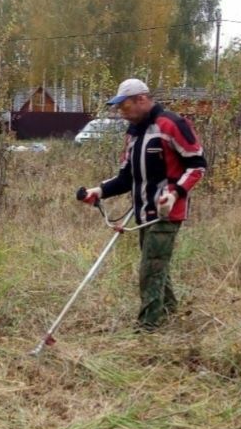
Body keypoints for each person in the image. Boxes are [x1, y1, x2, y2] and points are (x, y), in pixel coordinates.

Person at [77, 78, 207, 331]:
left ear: (141, 99)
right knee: (156, 265)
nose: (121, 113)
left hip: (166, 213)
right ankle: (170, 312)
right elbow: (126, 178)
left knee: (150, 270)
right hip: (142, 213)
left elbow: (197, 165)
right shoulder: (133, 134)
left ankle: (148, 328)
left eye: (124, 107)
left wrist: (175, 193)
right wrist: (99, 191)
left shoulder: (172, 125)